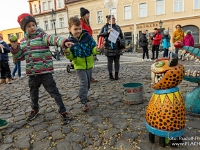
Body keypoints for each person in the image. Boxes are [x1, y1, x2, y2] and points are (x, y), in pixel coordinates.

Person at [10, 13, 73, 124]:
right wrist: (15, 48)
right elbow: (19, 56)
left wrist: (63, 42)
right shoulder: (23, 42)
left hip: (45, 72)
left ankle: (63, 111)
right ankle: (35, 109)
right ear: (24, 28)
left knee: (54, 92)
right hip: (32, 74)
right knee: (33, 94)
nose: (32, 27)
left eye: (33, 24)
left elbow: (52, 38)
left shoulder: (42, 36)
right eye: (29, 26)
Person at [64, 16, 101, 111]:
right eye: (75, 29)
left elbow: (93, 47)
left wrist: (97, 49)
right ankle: (83, 101)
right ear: (70, 29)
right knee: (83, 83)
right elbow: (70, 56)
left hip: (89, 64)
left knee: (88, 83)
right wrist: (67, 52)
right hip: (79, 66)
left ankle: (84, 94)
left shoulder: (87, 36)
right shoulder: (69, 41)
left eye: (79, 28)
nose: (78, 31)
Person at [99, 15, 124, 81]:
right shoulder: (105, 27)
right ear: (109, 20)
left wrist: (122, 43)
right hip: (109, 47)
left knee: (117, 62)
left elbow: (121, 36)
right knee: (110, 62)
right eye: (113, 18)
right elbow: (100, 35)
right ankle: (110, 75)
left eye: (114, 18)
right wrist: (107, 32)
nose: (114, 19)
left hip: (117, 47)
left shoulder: (117, 27)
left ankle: (116, 75)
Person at [80, 7, 98, 83]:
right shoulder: (81, 22)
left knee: (90, 59)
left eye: (89, 14)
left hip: (89, 42)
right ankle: (86, 78)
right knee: (85, 60)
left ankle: (89, 77)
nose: (88, 15)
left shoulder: (87, 23)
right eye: (87, 14)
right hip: (84, 43)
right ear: (84, 15)